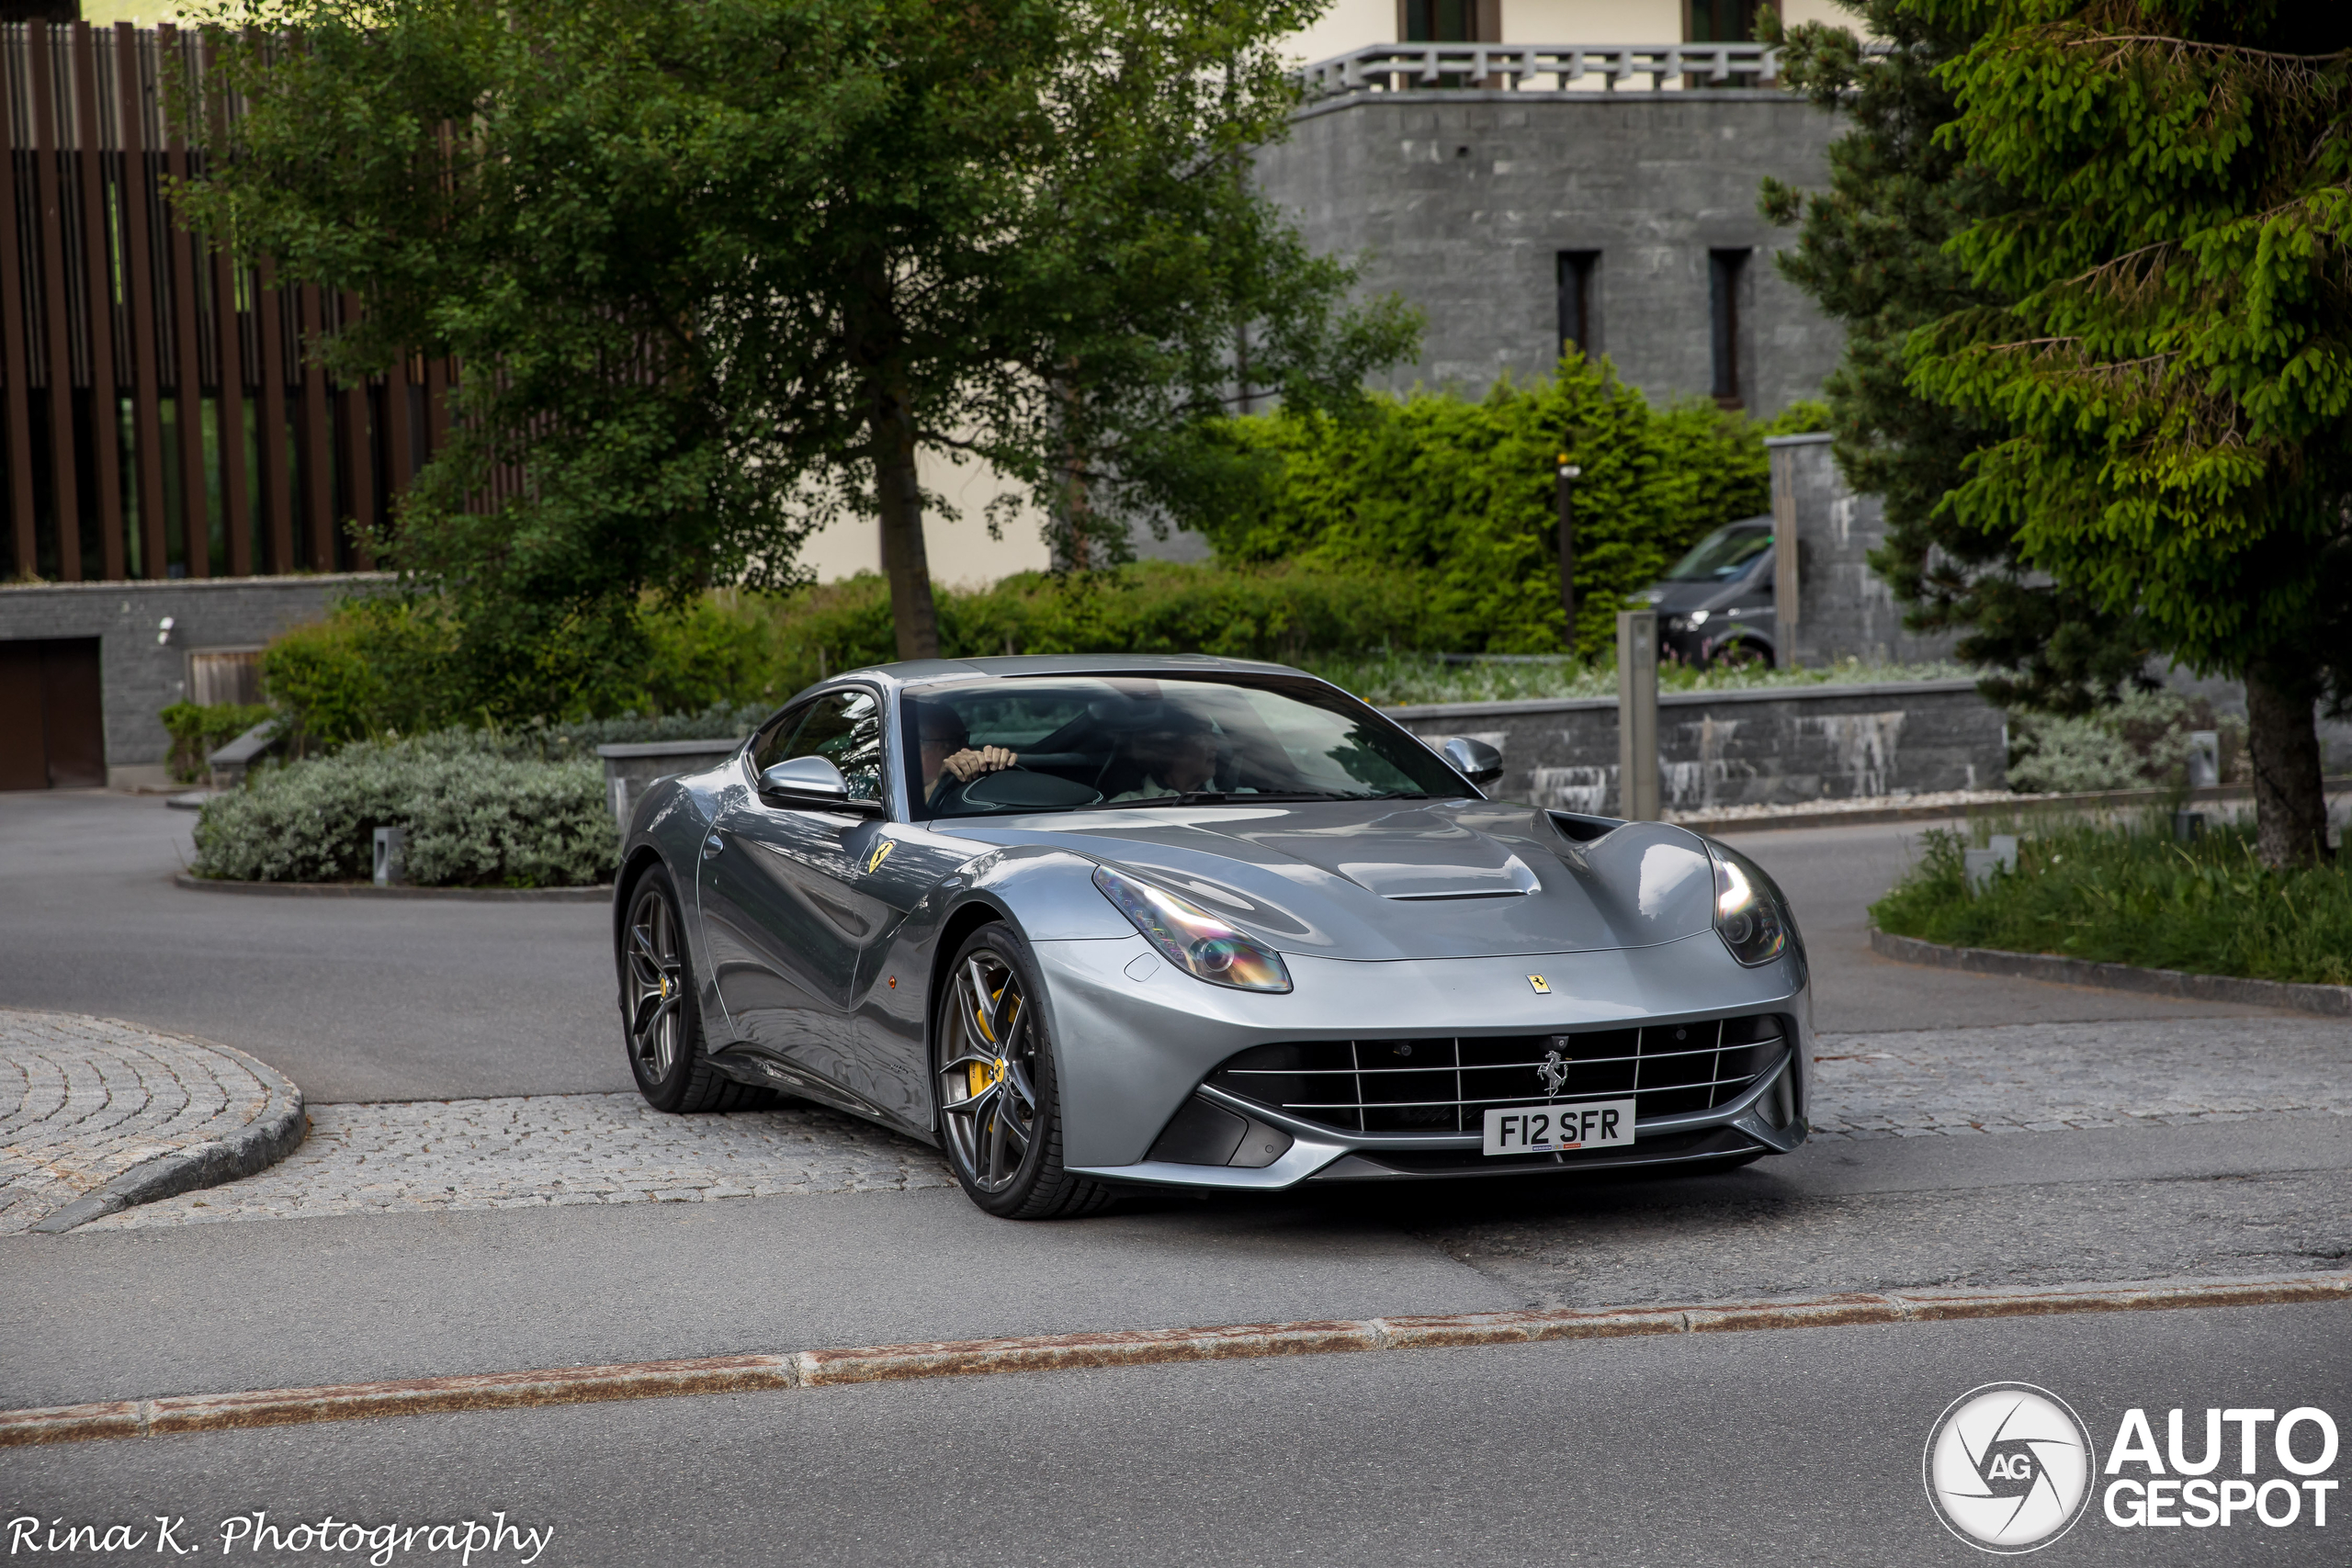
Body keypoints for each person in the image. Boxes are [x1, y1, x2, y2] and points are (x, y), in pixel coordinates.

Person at [1106, 708, 1222, 802]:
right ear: (1171, 748)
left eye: (1212, 734)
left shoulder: (1236, 799)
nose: (1215, 747)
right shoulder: (1124, 807)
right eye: (1203, 735)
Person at [917, 705, 1016, 803]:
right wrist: (938, 784)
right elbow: (910, 806)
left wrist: (1000, 764)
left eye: (964, 737)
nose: (969, 749)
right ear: (918, 747)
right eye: (952, 741)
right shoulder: (902, 784)